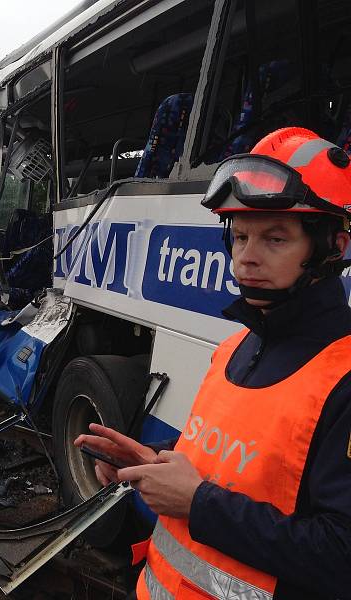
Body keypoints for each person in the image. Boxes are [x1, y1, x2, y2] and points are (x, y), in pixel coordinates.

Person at [74, 128, 351, 599]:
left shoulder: (343, 379)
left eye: (275, 239)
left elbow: (341, 557)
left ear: (333, 247)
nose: (246, 258)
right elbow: (234, 458)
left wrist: (199, 505)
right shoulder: (236, 347)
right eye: (239, 236)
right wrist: (150, 460)